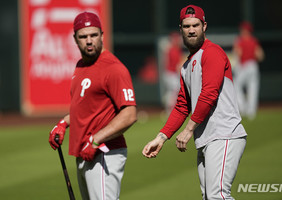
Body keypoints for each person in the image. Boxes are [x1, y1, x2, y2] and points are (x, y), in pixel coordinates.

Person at [142, 5, 247, 200]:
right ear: (180, 28)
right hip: (207, 138)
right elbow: (182, 105)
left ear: (204, 26)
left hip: (224, 134)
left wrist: (189, 129)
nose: (191, 30)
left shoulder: (212, 52)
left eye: (196, 25)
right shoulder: (186, 65)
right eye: (187, 26)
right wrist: (161, 137)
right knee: (209, 197)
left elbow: (209, 93)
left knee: (218, 196)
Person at [48, 12, 137, 200]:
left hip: (105, 153)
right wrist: (64, 123)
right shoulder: (81, 65)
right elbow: (86, 108)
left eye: (94, 35)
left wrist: (96, 139)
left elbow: (129, 114)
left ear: (102, 35)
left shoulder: (113, 68)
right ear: (75, 39)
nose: (89, 41)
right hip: (84, 153)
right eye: (83, 36)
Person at [233, 21, 264, 120]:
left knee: (236, 85)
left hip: (245, 65)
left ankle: (243, 107)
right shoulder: (254, 40)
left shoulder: (240, 41)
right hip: (253, 65)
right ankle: (251, 112)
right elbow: (260, 55)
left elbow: (238, 53)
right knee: (253, 88)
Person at [163, 31, 184, 115]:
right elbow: (177, 65)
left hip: (171, 74)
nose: (177, 40)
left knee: (173, 92)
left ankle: (170, 109)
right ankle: (170, 109)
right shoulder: (172, 50)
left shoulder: (176, 49)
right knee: (174, 92)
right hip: (171, 74)